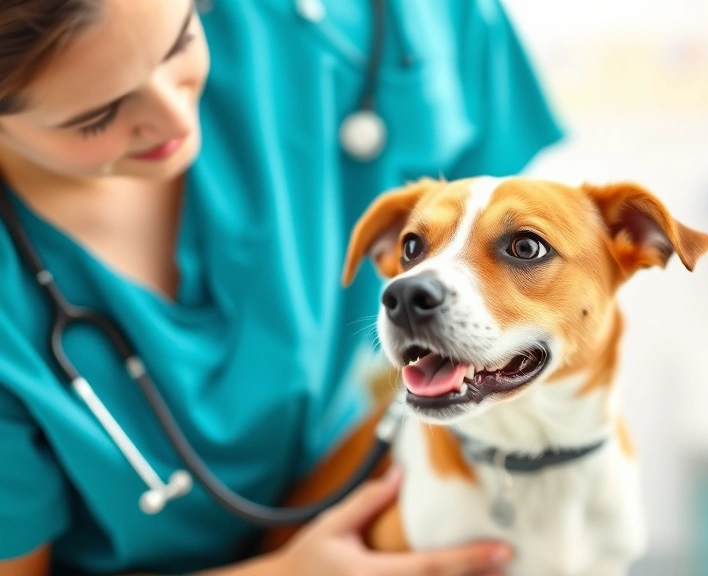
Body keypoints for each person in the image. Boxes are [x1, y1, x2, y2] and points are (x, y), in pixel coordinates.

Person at [0, 0, 564, 574]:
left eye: (180, 42)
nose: (174, 118)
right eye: (98, 115)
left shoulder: (353, 27)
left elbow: (529, 267)